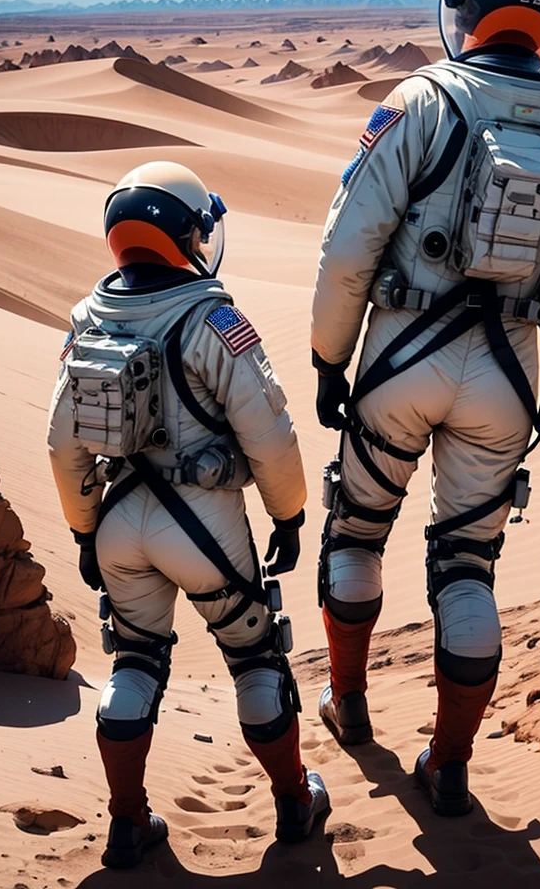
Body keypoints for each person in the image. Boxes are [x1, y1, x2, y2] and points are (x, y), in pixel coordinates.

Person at [310, 0, 540, 817]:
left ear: (461, 7)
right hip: (507, 377)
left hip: (398, 360)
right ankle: (449, 766)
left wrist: (327, 359)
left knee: (356, 535)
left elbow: (347, 251)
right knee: (466, 567)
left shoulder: (418, 100)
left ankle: (348, 707)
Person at [48, 161, 328, 869]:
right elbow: (269, 433)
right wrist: (289, 518)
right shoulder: (213, 318)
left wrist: (85, 533)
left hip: (119, 521)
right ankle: (295, 801)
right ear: (188, 235)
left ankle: (128, 821)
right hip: (203, 525)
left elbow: (62, 444)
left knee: (136, 661)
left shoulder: (88, 319)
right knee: (254, 657)